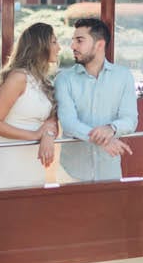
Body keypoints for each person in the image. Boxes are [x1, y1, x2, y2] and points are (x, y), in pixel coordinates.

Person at [54, 18, 137, 182]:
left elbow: (130, 119)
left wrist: (111, 128)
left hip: (109, 171)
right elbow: (68, 123)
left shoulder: (124, 76)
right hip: (71, 173)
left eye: (79, 41)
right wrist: (101, 141)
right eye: (73, 41)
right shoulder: (63, 79)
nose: (72, 46)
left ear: (99, 44)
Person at [0, 22, 61, 190]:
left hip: (32, 160)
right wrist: (34, 135)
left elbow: (50, 119)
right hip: (9, 159)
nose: (59, 48)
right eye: (54, 42)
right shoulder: (19, 78)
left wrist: (47, 134)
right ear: (40, 45)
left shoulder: (43, 81)